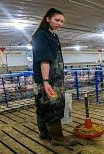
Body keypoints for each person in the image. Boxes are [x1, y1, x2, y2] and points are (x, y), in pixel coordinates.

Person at [31, 8, 77, 146]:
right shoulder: (41, 35)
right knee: (54, 107)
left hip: (53, 78)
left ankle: (45, 134)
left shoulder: (53, 35)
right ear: (48, 19)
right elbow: (44, 60)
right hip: (48, 80)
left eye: (62, 21)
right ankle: (57, 138)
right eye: (57, 20)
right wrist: (45, 81)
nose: (60, 23)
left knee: (43, 106)